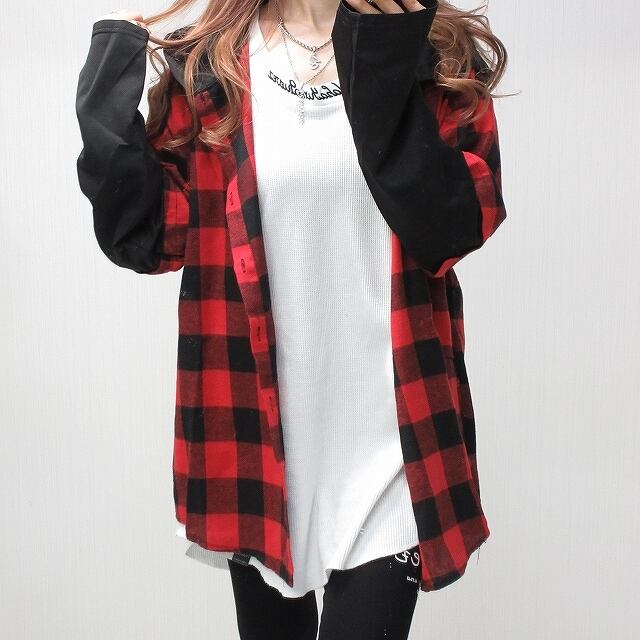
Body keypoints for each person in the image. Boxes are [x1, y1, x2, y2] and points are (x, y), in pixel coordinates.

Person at [75, 0, 508, 637]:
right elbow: (152, 238)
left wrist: (383, 60)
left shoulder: (432, 55)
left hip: (395, 445)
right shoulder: (210, 67)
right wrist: (107, 93)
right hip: (256, 445)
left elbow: (455, 226)